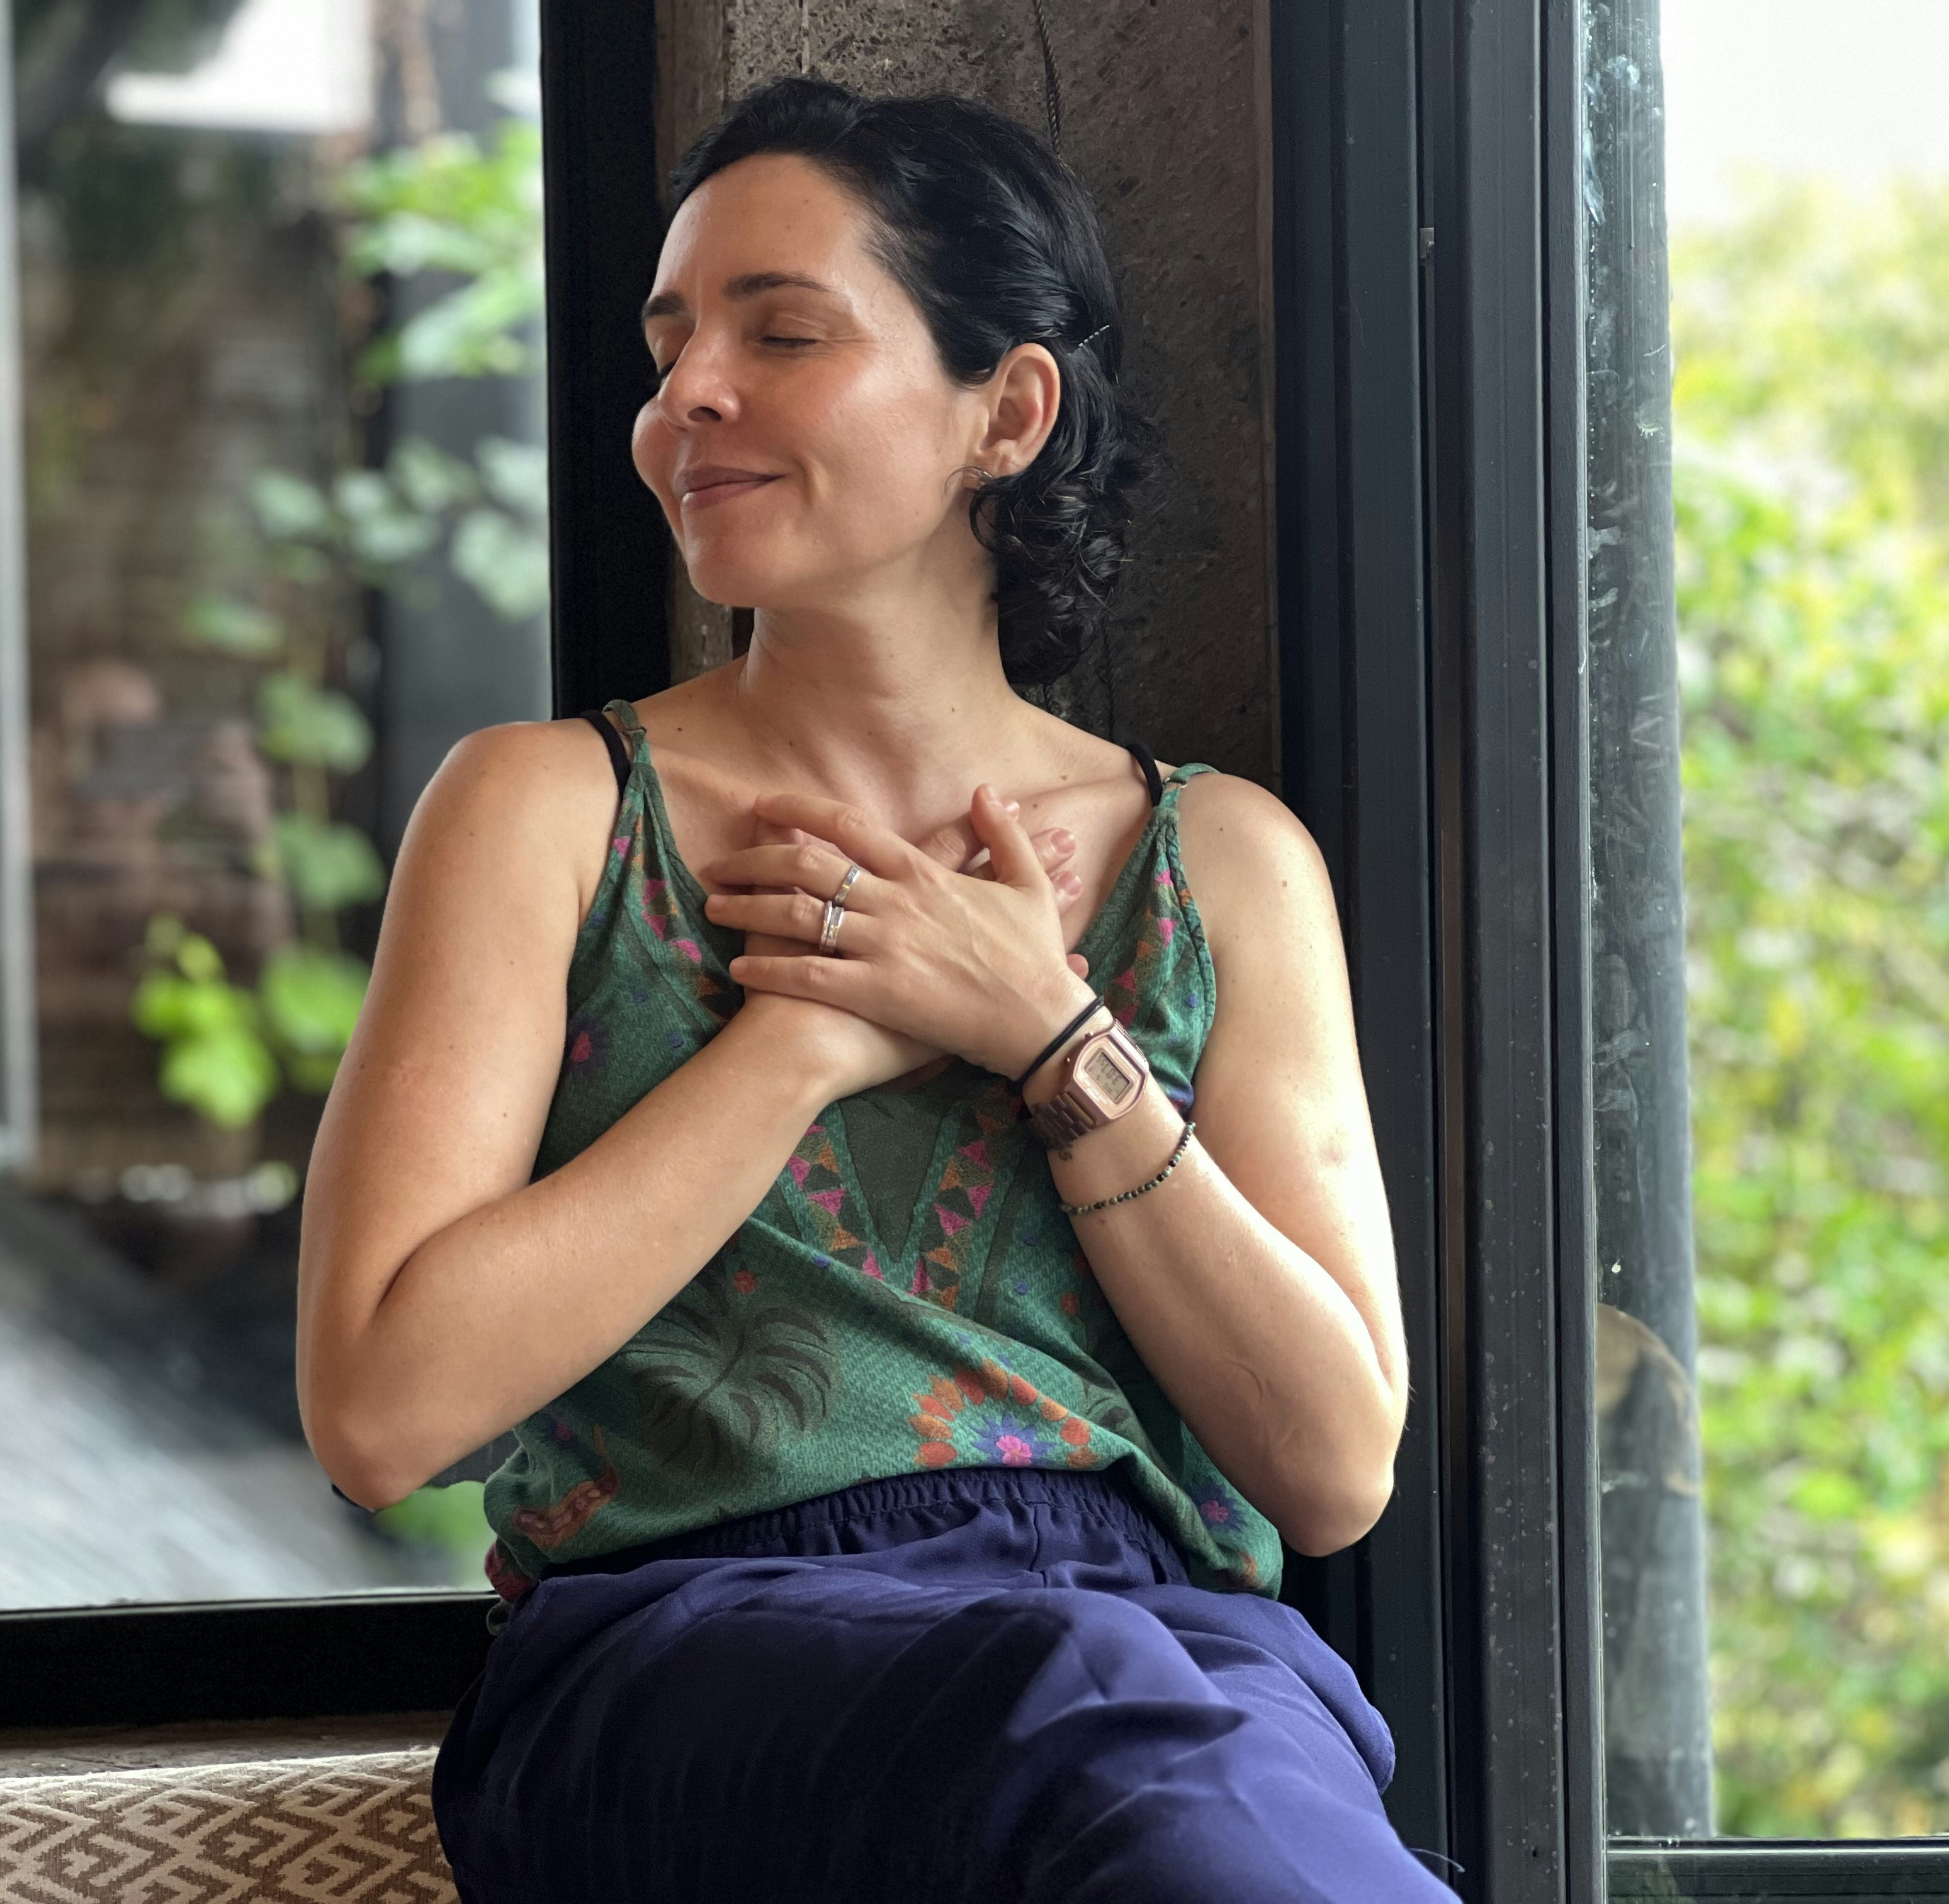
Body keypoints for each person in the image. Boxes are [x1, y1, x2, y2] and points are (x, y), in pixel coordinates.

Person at [295, 72, 1450, 1903]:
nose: (687, 399)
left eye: (785, 331)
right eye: (670, 342)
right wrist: (806, 1042)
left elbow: (1331, 1471)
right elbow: (381, 1409)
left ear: (1006, 409)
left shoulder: (1221, 863)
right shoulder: (545, 813)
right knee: (1099, 1722)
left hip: (1173, 1659)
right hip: (688, 1650)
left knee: (1138, 1724)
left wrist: (1054, 1038)